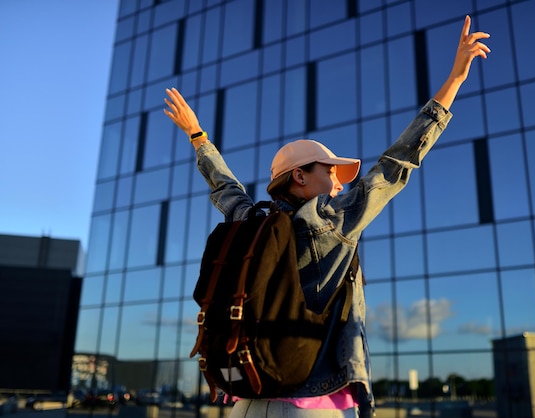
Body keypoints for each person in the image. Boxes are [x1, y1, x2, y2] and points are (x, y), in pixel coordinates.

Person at [164, 15, 490, 418]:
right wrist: (455, 80)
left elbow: (226, 188)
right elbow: (397, 163)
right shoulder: (332, 222)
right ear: (300, 176)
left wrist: (199, 137)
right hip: (311, 402)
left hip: (247, 400)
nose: (338, 183)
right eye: (330, 171)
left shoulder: (251, 222)